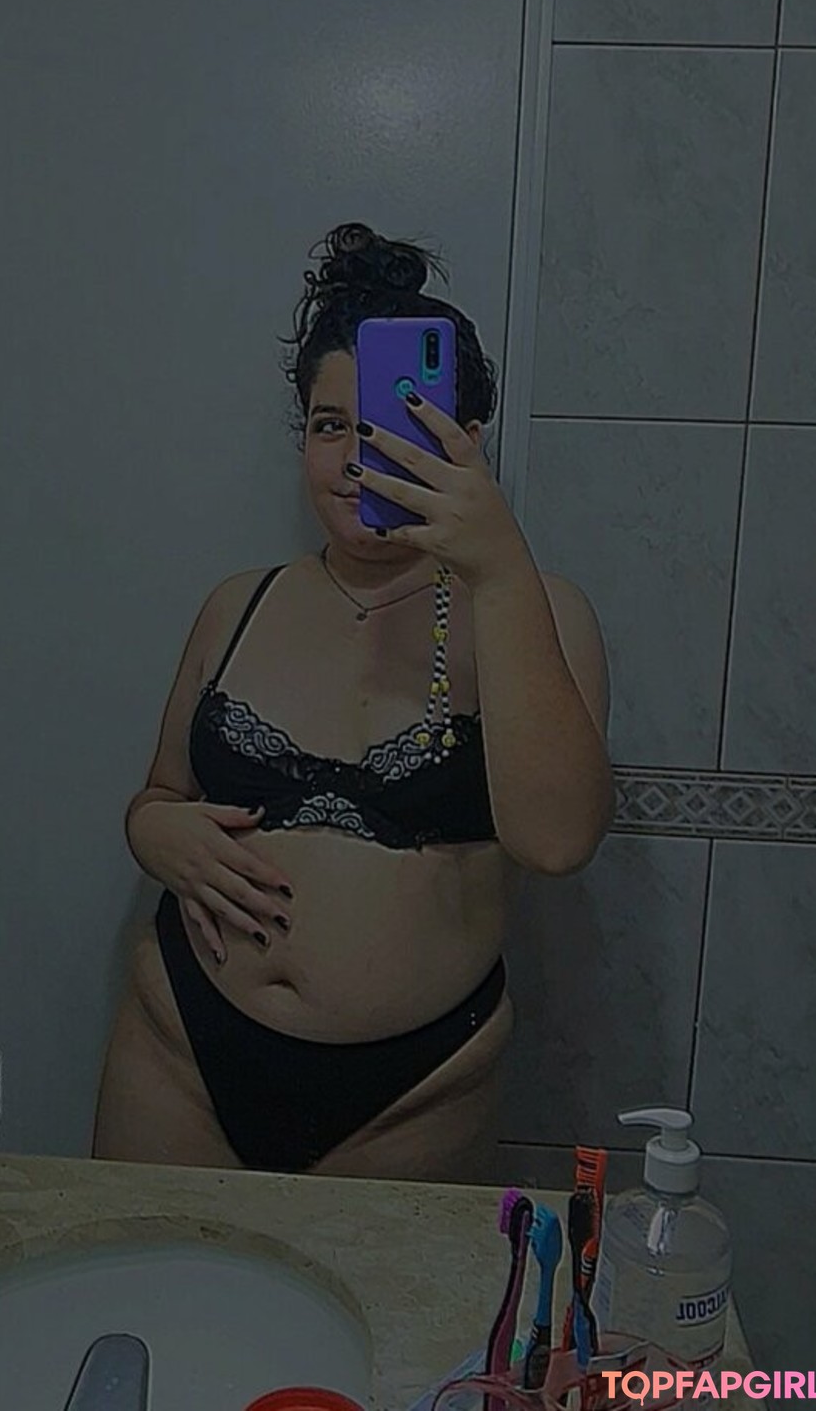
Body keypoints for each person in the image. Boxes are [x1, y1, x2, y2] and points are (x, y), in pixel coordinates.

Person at [93, 222, 615, 1181]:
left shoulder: (534, 611)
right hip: (178, 1057)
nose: (354, 458)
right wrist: (152, 833)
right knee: (145, 1276)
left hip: (413, 1094)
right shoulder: (236, 605)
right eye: (330, 426)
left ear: (465, 442)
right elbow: (160, 793)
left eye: (391, 426)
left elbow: (556, 841)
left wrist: (498, 566)